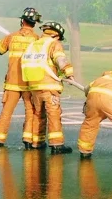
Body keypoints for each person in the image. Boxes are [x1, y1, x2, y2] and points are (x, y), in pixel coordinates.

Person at [20, 22, 74, 154]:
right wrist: (69, 73)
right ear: (56, 35)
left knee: (38, 114)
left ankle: (37, 142)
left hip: (33, 86)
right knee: (53, 114)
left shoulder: (33, 45)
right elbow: (60, 59)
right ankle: (57, 145)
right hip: (49, 86)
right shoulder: (54, 44)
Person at [0, 6, 42, 148]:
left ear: (22, 21)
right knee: (30, 111)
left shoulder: (11, 37)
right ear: (34, 23)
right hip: (29, 82)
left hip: (12, 83)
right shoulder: (37, 40)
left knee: (6, 112)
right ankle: (27, 140)